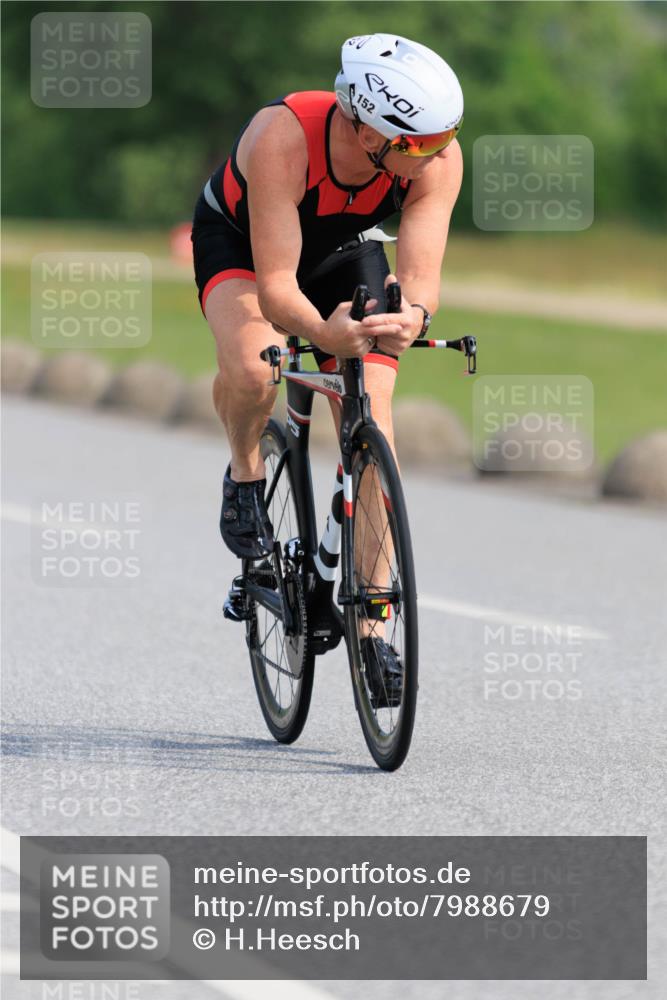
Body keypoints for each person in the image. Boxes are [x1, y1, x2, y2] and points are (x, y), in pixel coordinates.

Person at [192, 31, 463, 558]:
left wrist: (415, 314)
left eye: (447, 136)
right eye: (421, 144)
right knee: (253, 369)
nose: (439, 154)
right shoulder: (283, 138)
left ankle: (375, 625)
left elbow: (421, 274)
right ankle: (246, 473)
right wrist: (321, 334)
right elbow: (275, 290)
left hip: (342, 245)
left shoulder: (438, 159)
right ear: (367, 134)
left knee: (374, 419)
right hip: (243, 244)